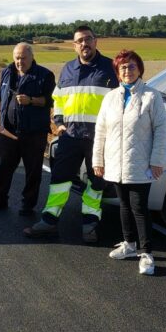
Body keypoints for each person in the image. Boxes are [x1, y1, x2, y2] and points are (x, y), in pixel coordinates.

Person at [24, 26, 118, 242]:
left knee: (96, 183)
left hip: (99, 140)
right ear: (75, 45)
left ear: (96, 42)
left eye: (88, 39)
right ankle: (49, 222)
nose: (84, 44)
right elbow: (58, 99)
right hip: (71, 136)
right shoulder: (68, 69)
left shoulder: (111, 68)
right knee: (59, 180)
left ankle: (90, 225)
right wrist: (59, 122)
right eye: (80, 41)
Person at [92, 49, 166, 275]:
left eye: (132, 66)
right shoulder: (110, 98)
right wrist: (98, 159)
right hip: (115, 164)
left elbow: (161, 130)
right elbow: (101, 131)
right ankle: (129, 244)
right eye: (123, 67)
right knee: (124, 206)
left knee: (139, 208)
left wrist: (156, 160)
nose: (127, 70)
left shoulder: (151, 96)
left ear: (140, 69)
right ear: (117, 71)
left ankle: (146, 253)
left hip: (140, 163)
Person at [0, 42, 56, 216]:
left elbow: (50, 101)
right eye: (17, 58)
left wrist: (31, 100)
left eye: (23, 58)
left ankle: (28, 205)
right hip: (8, 132)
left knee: (33, 171)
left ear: (32, 57)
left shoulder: (44, 75)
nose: (19, 61)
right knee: (3, 167)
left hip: (34, 134)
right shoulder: (6, 72)